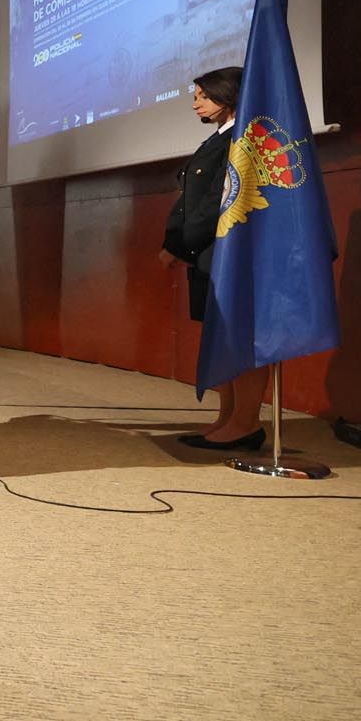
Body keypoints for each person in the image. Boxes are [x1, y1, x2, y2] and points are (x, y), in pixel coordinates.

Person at [160, 66, 270, 449]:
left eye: (202, 96)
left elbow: (215, 203)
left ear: (228, 95)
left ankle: (246, 422)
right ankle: (228, 418)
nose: (195, 104)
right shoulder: (218, 138)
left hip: (231, 253)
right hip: (210, 253)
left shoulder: (241, 139)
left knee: (239, 338)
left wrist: (179, 246)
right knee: (221, 338)